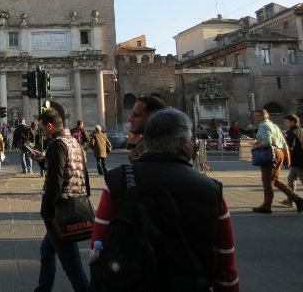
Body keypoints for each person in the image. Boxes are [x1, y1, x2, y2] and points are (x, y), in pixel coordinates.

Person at [91, 108, 240, 291]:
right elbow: (226, 266)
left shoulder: (118, 182)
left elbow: (97, 247)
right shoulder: (211, 190)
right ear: (184, 144)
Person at [30, 108, 91, 292]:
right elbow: (82, 174)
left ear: (50, 126)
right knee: (46, 252)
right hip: (76, 202)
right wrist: (43, 160)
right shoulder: (74, 142)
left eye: (42, 128)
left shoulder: (57, 145)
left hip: (62, 210)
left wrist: (46, 210)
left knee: (72, 267)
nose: (41, 131)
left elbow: (55, 182)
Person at [251, 109, 303, 213]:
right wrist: (287, 158)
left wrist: (255, 146)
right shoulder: (274, 126)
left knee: (267, 181)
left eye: (256, 115)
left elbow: (267, 142)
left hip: (269, 155)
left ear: (263, 116)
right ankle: (297, 200)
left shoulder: (264, 125)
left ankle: (267, 205)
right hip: (278, 154)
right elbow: (284, 143)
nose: (254, 117)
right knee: (274, 180)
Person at [126, 95, 166, 162]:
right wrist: (133, 146)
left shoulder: (163, 148)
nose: (130, 119)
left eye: (136, 115)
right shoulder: (144, 145)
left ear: (153, 117)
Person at [280, 114, 303, 207]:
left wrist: (285, 161)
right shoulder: (301, 130)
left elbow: (289, 147)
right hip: (298, 160)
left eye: (286, 121)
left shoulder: (292, 132)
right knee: (291, 179)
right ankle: (290, 199)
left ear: (293, 122)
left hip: (298, 161)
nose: (284, 123)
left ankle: (291, 199)